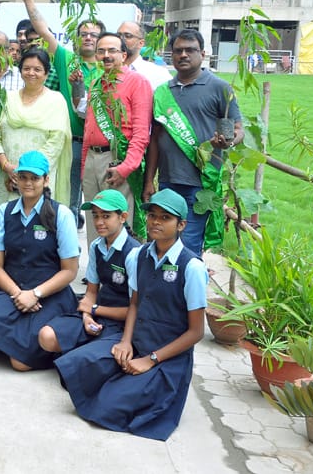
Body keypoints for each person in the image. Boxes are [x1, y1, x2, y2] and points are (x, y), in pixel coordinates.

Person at [54, 189, 207, 441]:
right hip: (137, 341)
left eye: (165, 218)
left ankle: (136, 386)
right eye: (152, 215)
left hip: (167, 355)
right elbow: (134, 304)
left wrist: (152, 359)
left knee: (107, 405)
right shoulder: (141, 255)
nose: (156, 222)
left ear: (181, 224)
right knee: (78, 366)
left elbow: (196, 332)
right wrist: (125, 342)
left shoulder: (191, 267)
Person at [0, 151, 80, 370]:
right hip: (14, 290)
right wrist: (18, 294)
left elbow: (70, 271)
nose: (28, 183)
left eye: (35, 178)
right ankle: (21, 339)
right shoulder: (3, 212)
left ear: (46, 179)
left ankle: (36, 344)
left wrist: (35, 294)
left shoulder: (61, 215)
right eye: (23, 177)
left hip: (50, 295)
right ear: (16, 179)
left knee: (19, 364)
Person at [144, 29, 243, 253]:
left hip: (201, 183)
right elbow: (155, 139)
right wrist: (150, 181)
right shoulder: (162, 93)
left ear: (203, 53)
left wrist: (229, 141)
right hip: (169, 181)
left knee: (188, 246)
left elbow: (238, 128)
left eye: (190, 50)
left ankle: (188, 286)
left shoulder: (219, 88)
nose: (184, 55)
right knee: (163, 243)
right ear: (171, 55)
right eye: (178, 51)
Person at [23, 0, 104, 224]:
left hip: (100, 147)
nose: (88, 38)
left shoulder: (108, 68)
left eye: (94, 35)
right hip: (71, 143)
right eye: (84, 34)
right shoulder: (67, 59)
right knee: (67, 197)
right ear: (77, 39)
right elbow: (42, 30)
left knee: (95, 202)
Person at [38, 189, 140, 355]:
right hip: (97, 312)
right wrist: (87, 317)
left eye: (106, 216)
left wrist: (94, 309)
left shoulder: (133, 253)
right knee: (46, 336)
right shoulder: (96, 246)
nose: (99, 221)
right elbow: (91, 292)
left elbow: (135, 309)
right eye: (95, 215)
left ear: (122, 217)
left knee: (80, 363)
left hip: (122, 322)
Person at [82, 33, 153, 243]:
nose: (106, 55)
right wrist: (85, 166)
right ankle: (97, 271)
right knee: (95, 221)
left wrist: (126, 167)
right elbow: (89, 128)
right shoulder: (95, 84)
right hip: (93, 162)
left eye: (112, 50)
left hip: (117, 160)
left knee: (119, 224)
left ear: (123, 54)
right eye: (101, 51)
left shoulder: (137, 82)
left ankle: (121, 274)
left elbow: (141, 133)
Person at [0, 48, 72, 206]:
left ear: (46, 73)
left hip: (38, 176)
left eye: (37, 69)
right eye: (26, 68)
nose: (31, 73)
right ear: (20, 71)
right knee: (7, 222)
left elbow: (56, 142)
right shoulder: (8, 98)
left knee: (38, 224)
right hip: (7, 175)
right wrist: (6, 166)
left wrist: (25, 173)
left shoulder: (56, 100)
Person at [117, 22, 171, 91]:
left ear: (141, 43)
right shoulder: (107, 71)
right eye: (118, 36)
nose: (121, 39)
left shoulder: (158, 74)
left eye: (128, 36)